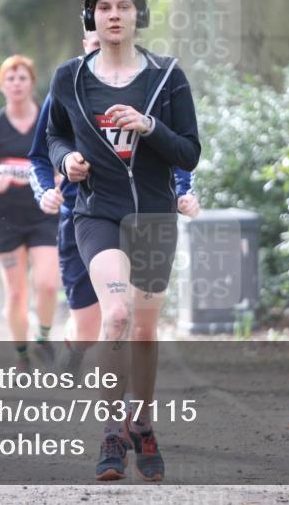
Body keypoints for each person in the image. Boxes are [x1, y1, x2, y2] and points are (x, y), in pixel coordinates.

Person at [46, 0, 201, 481]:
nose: (115, 15)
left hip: (155, 214)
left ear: (139, 15)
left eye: (124, 7)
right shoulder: (68, 77)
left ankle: (143, 420)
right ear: (93, 16)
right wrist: (68, 160)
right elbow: (55, 137)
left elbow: (190, 152)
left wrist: (149, 125)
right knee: (115, 315)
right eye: (106, 8)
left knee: (145, 326)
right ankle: (112, 431)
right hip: (99, 213)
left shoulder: (166, 75)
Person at [29, 29, 199, 374]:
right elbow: (42, 151)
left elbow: (179, 152)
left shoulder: (148, 87)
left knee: (123, 315)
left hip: (143, 214)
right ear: (85, 47)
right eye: (94, 46)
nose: (102, 56)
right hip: (86, 215)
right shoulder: (68, 84)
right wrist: (51, 183)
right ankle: (75, 348)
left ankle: (122, 409)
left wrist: (183, 190)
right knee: (90, 327)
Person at [0, 55, 60, 369]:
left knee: (48, 284)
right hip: (5, 216)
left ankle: (44, 337)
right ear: (2, 86)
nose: (16, 84)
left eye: (22, 78)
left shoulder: (47, 121)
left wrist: (57, 180)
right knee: (16, 293)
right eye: (10, 79)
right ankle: (22, 353)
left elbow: (61, 161)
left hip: (42, 212)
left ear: (32, 83)